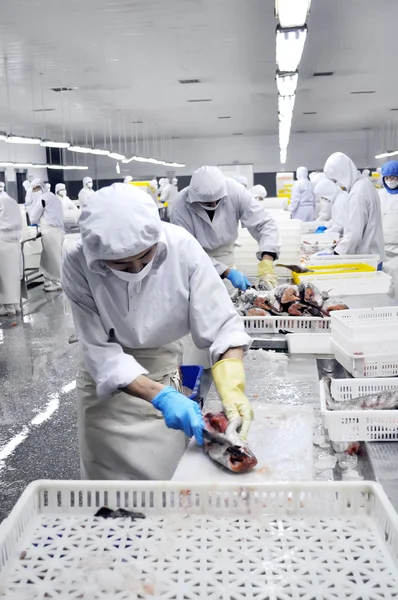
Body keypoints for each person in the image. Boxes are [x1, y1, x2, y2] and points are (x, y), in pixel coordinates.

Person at [61, 183, 253, 480]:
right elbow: (98, 349)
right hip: (105, 396)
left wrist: (231, 383)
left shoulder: (182, 248)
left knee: (168, 486)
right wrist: (160, 397)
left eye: (146, 257)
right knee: (110, 495)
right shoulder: (76, 260)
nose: (137, 269)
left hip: (162, 368)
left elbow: (224, 325)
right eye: (122, 265)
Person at [172, 166, 280, 292]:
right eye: (207, 203)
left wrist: (267, 261)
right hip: (195, 269)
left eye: (217, 200)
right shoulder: (180, 205)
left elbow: (264, 223)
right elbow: (187, 251)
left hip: (228, 260)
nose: (213, 205)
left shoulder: (235, 191)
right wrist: (226, 272)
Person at [323, 152, 385, 265]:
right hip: (373, 255)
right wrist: (343, 240)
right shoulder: (365, 184)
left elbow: (354, 235)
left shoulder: (357, 193)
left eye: (336, 179)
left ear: (342, 174)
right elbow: (362, 226)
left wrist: (336, 254)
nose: (337, 184)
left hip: (367, 259)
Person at [27, 178, 64, 292]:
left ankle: (58, 282)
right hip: (58, 230)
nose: (35, 191)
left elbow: (33, 217)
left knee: (52, 257)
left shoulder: (42, 198)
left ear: (41, 187)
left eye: (36, 188)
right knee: (50, 257)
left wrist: (30, 208)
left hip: (50, 231)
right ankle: (51, 280)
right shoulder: (53, 196)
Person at [0, 191, 23, 316]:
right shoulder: (11, 200)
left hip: (3, 238)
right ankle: (16, 305)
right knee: (14, 274)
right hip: (15, 239)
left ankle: (9, 308)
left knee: (5, 275)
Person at [379, 161, 398, 297]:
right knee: (384, 287)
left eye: (393, 177)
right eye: (387, 178)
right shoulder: (379, 195)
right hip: (383, 248)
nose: (390, 181)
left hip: (397, 250)